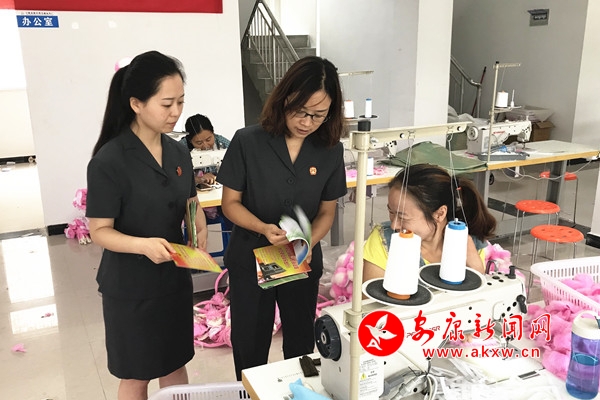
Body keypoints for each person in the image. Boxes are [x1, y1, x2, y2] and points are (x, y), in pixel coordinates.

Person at [86, 50, 208, 400]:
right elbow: (99, 230)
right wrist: (142, 245)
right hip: (130, 288)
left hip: (173, 278)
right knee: (136, 374)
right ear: (136, 104)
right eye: (166, 104)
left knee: (174, 364)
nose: (176, 112)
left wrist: (198, 228)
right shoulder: (110, 160)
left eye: (180, 102)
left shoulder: (179, 152)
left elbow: (190, 203)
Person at [217, 55, 347, 380]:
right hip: (252, 255)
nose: (307, 122)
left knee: (301, 342)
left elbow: (327, 211)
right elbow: (230, 204)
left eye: (318, 115)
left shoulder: (330, 149)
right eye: (300, 111)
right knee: (250, 343)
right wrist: (263, 227)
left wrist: (306, 243)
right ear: (284, 98)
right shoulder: (248, 141)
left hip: (300, 259)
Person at [363, 163, 496, 283]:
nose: (394, 225)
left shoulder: (467, 244)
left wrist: (476, 269)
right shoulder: (384, 240)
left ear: (440, 214)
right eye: (391, 212)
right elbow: (370, 301)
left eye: (403, 217)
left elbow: (479, 298)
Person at [180, 113, 230, 185]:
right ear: (190, 140)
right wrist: (196, 179)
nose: (206, 146)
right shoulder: (180, 149)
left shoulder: (222, 143)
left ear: (213, 133)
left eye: (208, 139)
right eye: (199, 143)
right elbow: (174, 177)